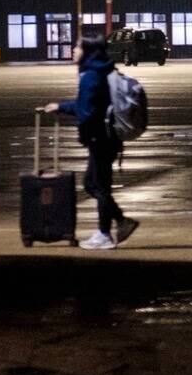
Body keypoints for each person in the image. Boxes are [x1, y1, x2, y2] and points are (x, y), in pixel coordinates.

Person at [42, 32, 138, 250]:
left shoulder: (91, 76)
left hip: (100, 138)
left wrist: (62, 107)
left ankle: (105, 234)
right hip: (106, 137)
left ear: (88, 51)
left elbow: (86, 111)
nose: (73, 50)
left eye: (78, 47)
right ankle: (122, 222)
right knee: (91, 183)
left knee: (99, 186)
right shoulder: (100, 71)